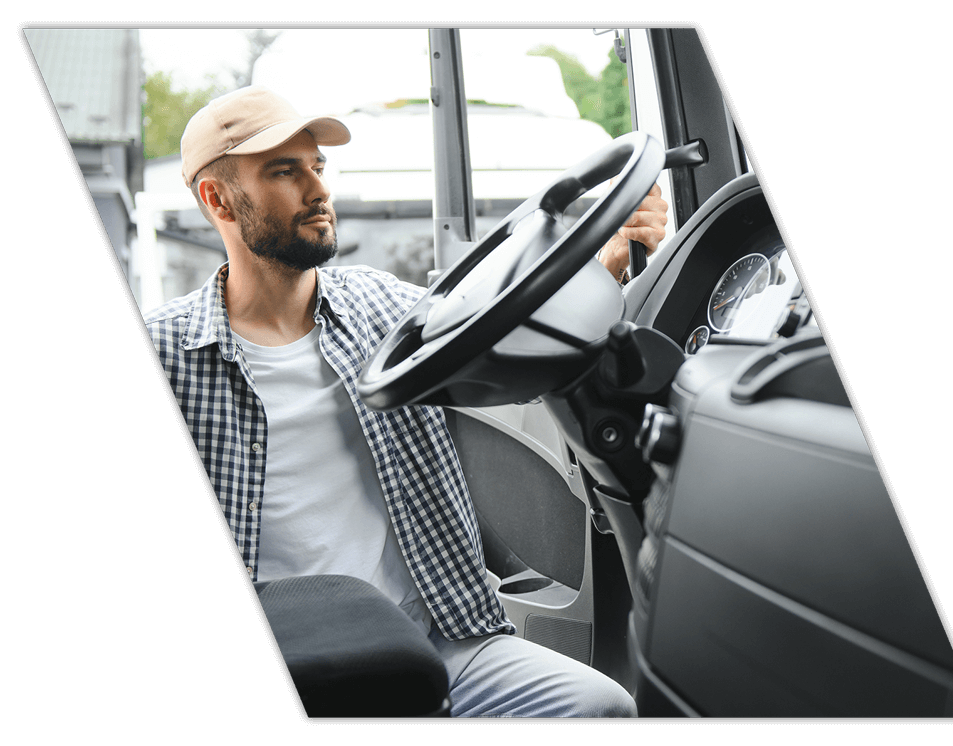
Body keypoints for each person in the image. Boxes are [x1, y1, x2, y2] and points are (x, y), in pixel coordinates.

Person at [144, 85, 668, 717]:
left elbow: (500, 317)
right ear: (218, 199)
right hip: (302, 656)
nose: (317, 190)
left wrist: (603, 261)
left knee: (600, 704)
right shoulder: (173, 352)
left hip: (442, 639)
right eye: (284, 171)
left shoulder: (384, 311)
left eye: (318, 166)